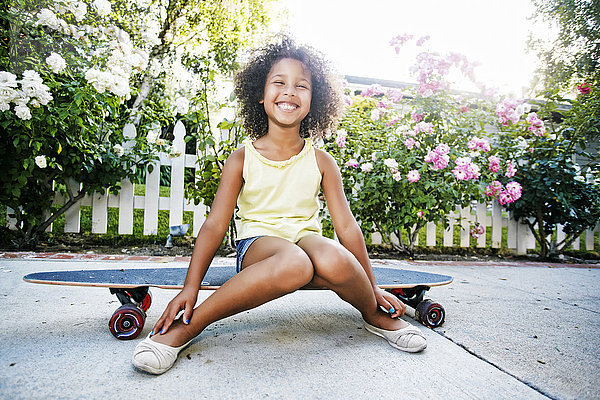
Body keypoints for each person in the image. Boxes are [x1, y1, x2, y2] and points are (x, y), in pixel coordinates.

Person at [132, 37, 426, 375]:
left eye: (301, 85)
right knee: (295, 263)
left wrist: (370, 287)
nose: (289, 91)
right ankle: (189, 327)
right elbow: (215, 225)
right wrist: (190, 286)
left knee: (330, 255)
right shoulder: (242, 158)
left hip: (305, 239)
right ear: (261, 94)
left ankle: (373, 315)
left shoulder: (321, 161)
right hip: (260, 245)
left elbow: (346, 227)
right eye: (279, 82)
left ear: (314, 101)